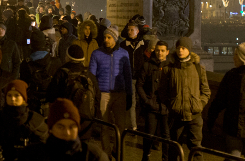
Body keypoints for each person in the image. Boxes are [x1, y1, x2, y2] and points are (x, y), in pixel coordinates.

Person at [159, 37, 210, 161]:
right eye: (178, 48)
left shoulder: (198, 68)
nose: (180, 51)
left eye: (183, 48)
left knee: (196, 149)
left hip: (195, 115)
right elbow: (162, 92)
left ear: (189, 50)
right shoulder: (169, 69)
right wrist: (172, 105)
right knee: (174, 148)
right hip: (176, 115)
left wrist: (200, 104)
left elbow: (206, 91)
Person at [0, 80, 48, 160]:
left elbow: (43, 149)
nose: (12, 99)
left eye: (17, 95)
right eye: (9, 95)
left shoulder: (35, 121)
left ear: (24, 98)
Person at [88, 25, 132, 157]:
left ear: (115, 38)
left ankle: (116, 150)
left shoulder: (124, 54)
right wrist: (96, 93)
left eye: (109, 37)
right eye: (105, 37)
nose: (106, 40)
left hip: (120, 94)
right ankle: (106, 153)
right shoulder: (97, 53)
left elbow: (127, 75)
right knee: (104, 126)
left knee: (121, 126)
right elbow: (91, 75)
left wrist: (129, 94)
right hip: (104, 93)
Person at [20, 98, 108, 161]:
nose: (67, 132)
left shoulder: (93, 156)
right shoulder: (32, 154)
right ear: (51, 128)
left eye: (72, 126)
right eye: (60, 127)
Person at [46, 44, 100, 140]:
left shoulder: (62, 72)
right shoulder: (89, 74)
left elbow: (51, 96)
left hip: (66, 118)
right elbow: (97, 96)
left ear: (68, 57)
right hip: (86, 121)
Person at [137, 40, 171, 161]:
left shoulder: (170, 67)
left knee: (166, 136)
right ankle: (145, 156)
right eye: (157, 50)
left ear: (167, 52)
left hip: (165, 107)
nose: (160, 53)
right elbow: (139, 85)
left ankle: (165, 158)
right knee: (149, 135)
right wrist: (147, 101)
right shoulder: (147, 65)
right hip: (152, 106)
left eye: (162, 51)